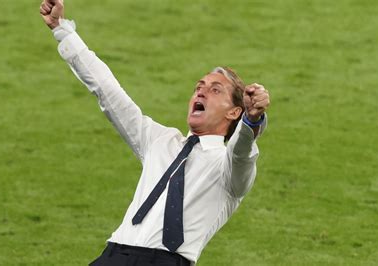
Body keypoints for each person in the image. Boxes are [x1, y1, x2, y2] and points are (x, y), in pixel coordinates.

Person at [40, 0, 270, 265]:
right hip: (113, 254)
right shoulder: (160, 140)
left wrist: (252, 120)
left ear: (234, 112)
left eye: (215, 89)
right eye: (199, 86)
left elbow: (242, 154)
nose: (201, 91)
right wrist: (62, 30)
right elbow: (107, 89)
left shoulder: (228, 168)